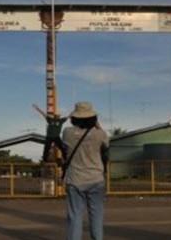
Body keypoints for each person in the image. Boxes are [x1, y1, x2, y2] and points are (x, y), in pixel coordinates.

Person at [62, 102, 109, 240]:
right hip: (96, 179)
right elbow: (106, 147)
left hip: (75, 180)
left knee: (75, 216)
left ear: (74, 118)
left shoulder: (67, 133)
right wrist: (96, 124)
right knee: (96, 215)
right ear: (93, 118)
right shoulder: (100, 134)